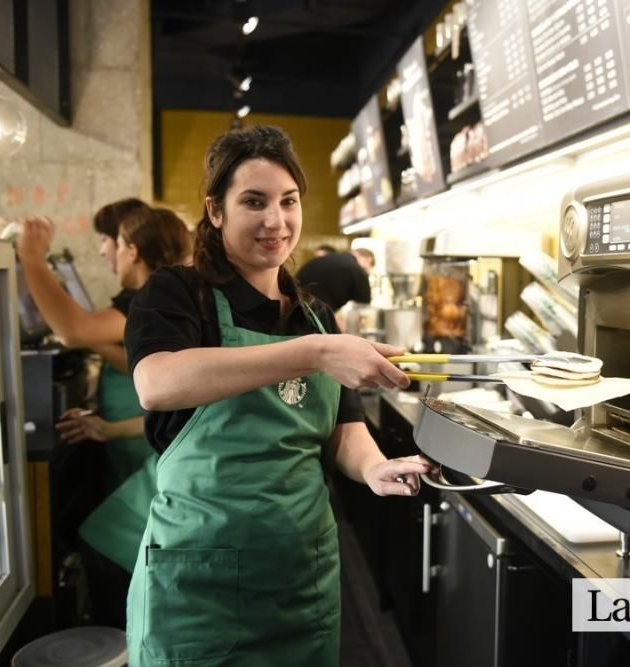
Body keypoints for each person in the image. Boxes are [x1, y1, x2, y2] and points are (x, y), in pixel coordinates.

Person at [123, 124, 433, 666]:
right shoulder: (178, 293)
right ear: (215, 211)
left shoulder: (314, 313)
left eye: (288, 201)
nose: (276, 221)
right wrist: (313, 353)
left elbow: (343, 427)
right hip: (199, 587)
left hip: (300, 581)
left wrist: (373, 467)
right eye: (253, 202)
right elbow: (157, 382)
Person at [15, 201, 191, 627]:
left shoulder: (152, 297)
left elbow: (74, 328)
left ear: (131, 250)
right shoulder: (167, 295)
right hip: (164, 447)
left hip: (174, 461)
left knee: (107, 541)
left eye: (110, 241)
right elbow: (134, 360)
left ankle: (128, 634)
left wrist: (30, 257)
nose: (102, 252)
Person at [296, 245, 375, 310]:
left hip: (296, 306)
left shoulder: (328, 259)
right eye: (366, 268)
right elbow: (364, 307)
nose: (366, 272)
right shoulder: (357, 269)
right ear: (366, 258)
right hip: (313, 314)